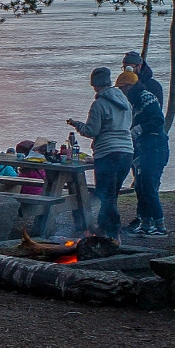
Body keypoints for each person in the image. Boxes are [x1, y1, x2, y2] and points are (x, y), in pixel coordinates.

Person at [67, 66, 134, 239]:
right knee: (112, 194)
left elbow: (92, 131)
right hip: (127, 152)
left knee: (105, 194)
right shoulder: (125, 101)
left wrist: (77, 124)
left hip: (108, 153)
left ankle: (112, 231)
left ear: (95, 85)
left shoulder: (99, 104)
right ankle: (105, 228)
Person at [118, 52, 170, 237]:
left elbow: (157, 119)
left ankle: (159, 225)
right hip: (140, 145)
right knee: (140, 186)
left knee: (148, 186)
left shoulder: (148, 94)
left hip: (154, 144)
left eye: (123, 88)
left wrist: (138, 129)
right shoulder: (130, 97)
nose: (122, 92)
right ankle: (145, 223)